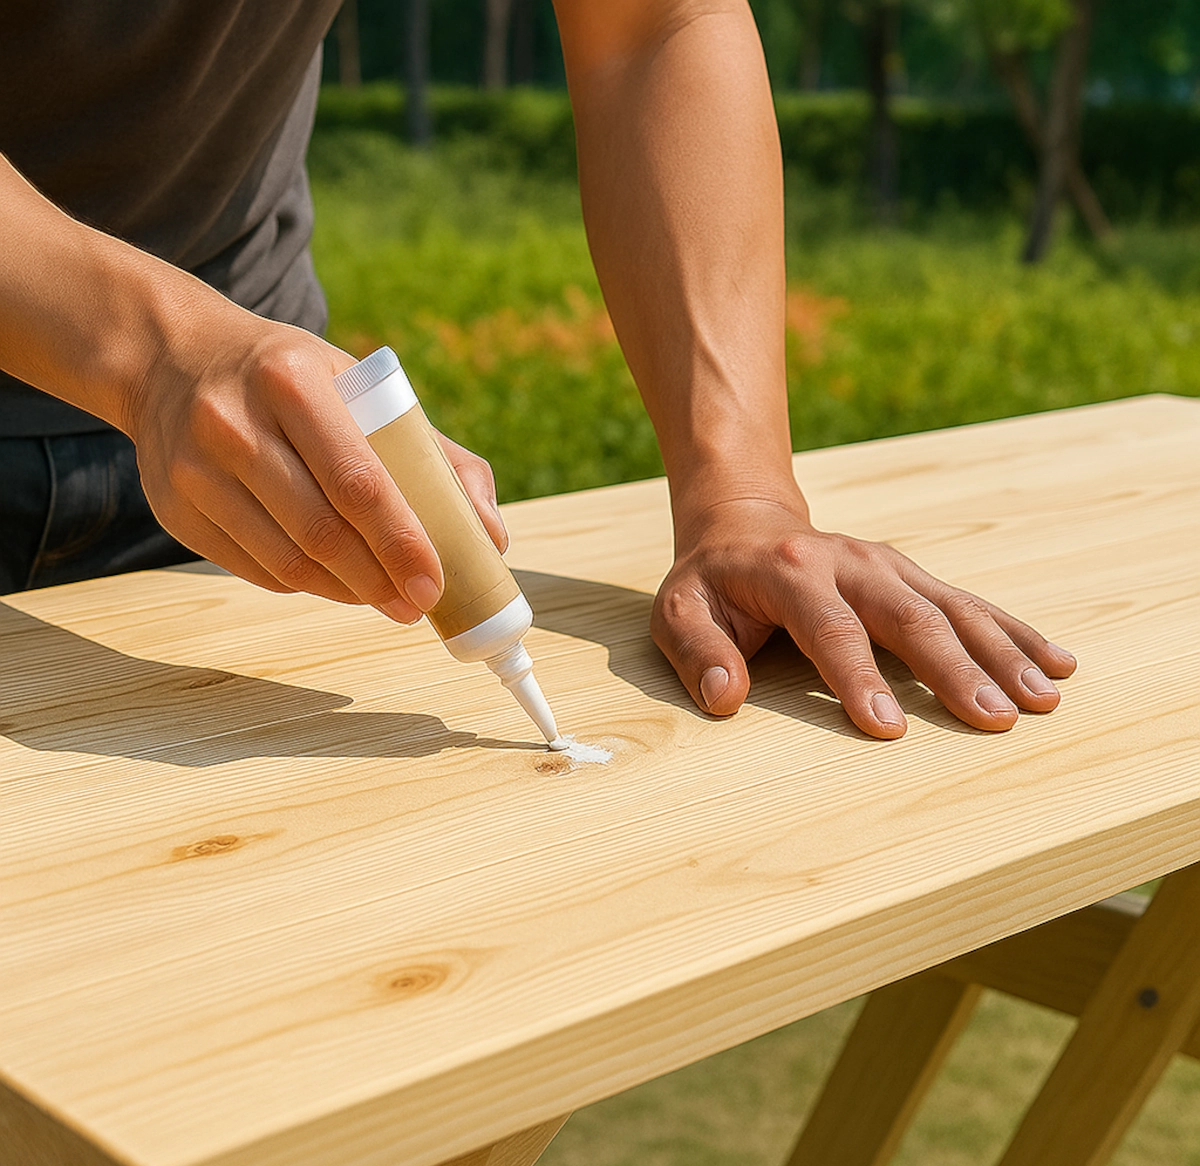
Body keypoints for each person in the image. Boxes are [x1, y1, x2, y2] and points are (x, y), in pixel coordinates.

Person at [0, 0, 1075, 745]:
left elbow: (654, 27)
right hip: (201, 373)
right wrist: (149, 350)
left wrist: (740, 492)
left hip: (263, 459)